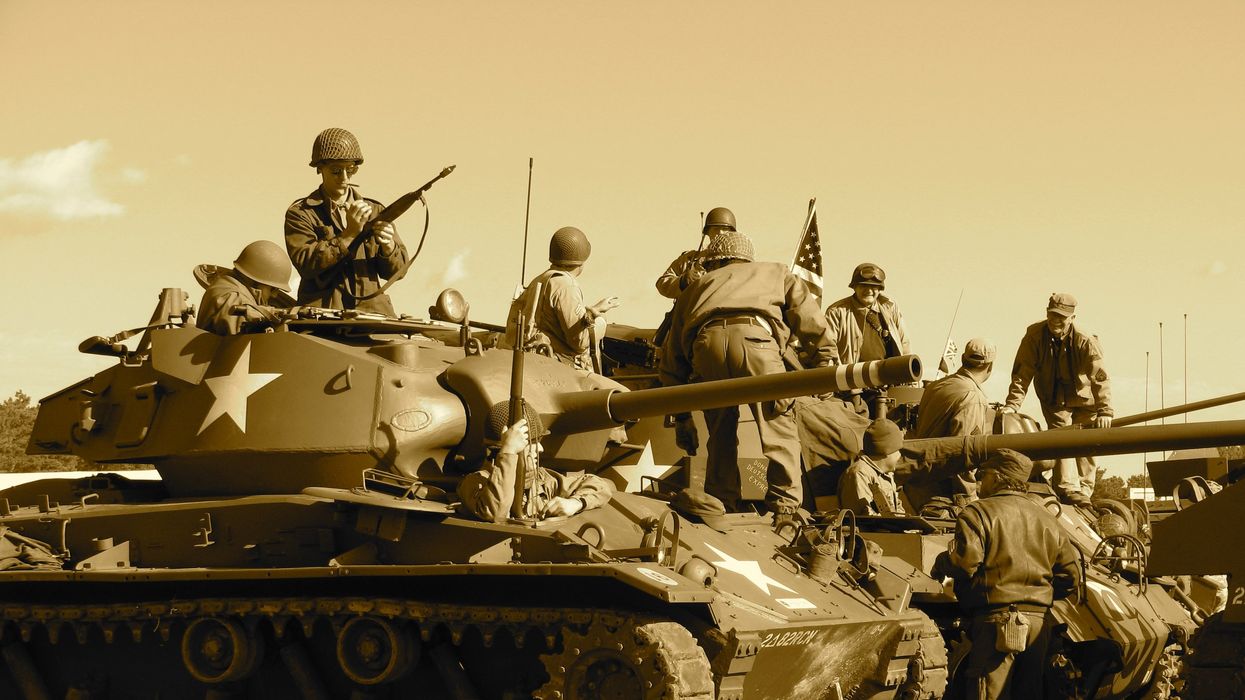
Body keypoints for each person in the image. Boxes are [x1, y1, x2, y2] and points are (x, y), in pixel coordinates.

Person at [659, 230, 834, 518]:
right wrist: (825, 363)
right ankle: (785, 507)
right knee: (777, 423)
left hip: (706, 347)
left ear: (715, 262)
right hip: (757, 344)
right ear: (748, 258)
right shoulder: (777, 273)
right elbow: (810, 319)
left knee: (720, 432)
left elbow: (673, 356)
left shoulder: (696, 286)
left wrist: (681, 419)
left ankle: (721, 501)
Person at [931, 449, 1081, 700]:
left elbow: (965, 562)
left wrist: (940, 564)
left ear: (999, 477)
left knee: (988, 692)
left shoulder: (978, 513)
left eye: (984, 475)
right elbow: (1070, 577)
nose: (980, 482)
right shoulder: (1047, 519)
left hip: (996, 622)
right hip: (1038, 624)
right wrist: (1037, 600)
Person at [1001, 293, 1112, 505]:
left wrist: (1105, 411)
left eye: (1061, 317)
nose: (1055, 321)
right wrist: (1012, 405)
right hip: (1054, 398)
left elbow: (1100, 377)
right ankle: (1069, 489)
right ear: (1047, 313)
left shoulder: (1086, 339)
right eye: (1052, 315)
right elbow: (1021, 374)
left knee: (1087, 442)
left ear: (1072, 317)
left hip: (1086, 398)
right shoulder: (1034, 336)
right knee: (1063, 435)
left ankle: (1084, 493)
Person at [285, 127, 409, 316]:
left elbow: (398, 272)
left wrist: (388, 247)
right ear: (320, 168)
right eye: (336, 171)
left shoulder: (375, 211)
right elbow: (306, 263)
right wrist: (349, 234)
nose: (344, 178)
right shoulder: (301, 213)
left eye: (350, 170)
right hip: (323, 317)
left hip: (373, 315)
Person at [457, 402, 615, 522]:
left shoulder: (542, 479)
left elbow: (599, 485)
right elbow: (495, 512)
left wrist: (575, 503)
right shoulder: (476, 482)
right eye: (532, 443)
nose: (540, 448)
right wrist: (508, 453)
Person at [904, 338, 996, 516]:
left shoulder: (937, 386)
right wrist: (968, 500)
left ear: (963, 358)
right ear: (990, 367)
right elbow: (964, 453)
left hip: (917, 484)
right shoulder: (972, 397)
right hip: (940, 495)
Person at [507, 226, 620, 371]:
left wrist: (594, 310)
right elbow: (580, 341)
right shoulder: (566, 286)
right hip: (556, 369)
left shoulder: (540, 280)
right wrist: (601, 320)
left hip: (532, 360)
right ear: (581, 261)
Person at [196, 240, 294, 335]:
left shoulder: (229, 286)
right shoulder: (230, 296)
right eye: (273, 289)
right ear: (255, 281)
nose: (275, 295)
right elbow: (244, 324)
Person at [655, 206, 736, 299]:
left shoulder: (739, 261)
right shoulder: (689, 259)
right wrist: (684, 281)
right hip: (694, 311)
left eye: (725, 229)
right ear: (708, 233)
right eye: (715, 229)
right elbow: (662, 284)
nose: (720, 233)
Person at [838, 419, 906, 516]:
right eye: (898, 450)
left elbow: (897, 510)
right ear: (886, 451)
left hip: (887, 529)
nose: (899, 455)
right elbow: (865, 516)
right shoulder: (859, 474)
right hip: (867, 530)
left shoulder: (887, 474)